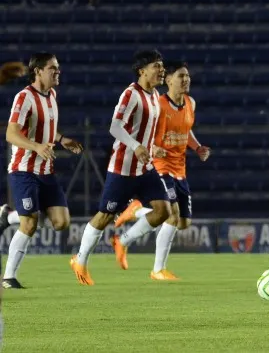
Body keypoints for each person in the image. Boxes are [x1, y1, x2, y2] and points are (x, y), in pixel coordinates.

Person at [70, 50, 171, 285]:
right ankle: (80, 259)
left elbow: (144, 131)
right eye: (157, 66)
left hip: (144, 167)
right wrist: (136, 146)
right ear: (142, 70)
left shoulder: (156, 95)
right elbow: (115, 127)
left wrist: (151, 147)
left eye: (162, 66)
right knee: (105, 215)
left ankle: (123, 240)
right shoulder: (130, 94)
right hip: (123, 167)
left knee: (163, 211)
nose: (162, 70)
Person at [113, 61, 210, 280]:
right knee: (172, 216)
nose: (186, 80)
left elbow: (187, 129)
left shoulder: (190, 103)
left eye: (187, 76)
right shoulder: (159, 104)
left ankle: (131, 223)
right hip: (160, 167)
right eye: (181, 76)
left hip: (180, 169)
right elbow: (143, 130)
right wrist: (152, 147)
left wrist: (197, 147)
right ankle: (158, 270)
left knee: (184, 223)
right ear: (168, 80)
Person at [0, 53, 83, 289]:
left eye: (58, 68)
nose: (58, 72)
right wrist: (36, 147)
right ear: (37, 71)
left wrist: (62, 139)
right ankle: (8, 277)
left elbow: (45, 129)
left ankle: (8, 217)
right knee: (30, 223)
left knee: (61, 222)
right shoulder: (24, 97)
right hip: (24, 170)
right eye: (53, 68)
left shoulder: (52, 95)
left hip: (46, 170)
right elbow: (11, 134)